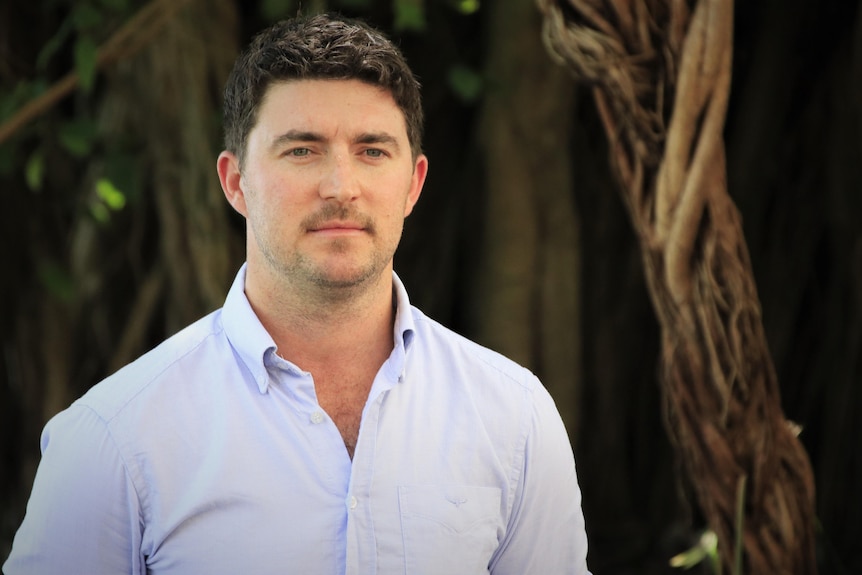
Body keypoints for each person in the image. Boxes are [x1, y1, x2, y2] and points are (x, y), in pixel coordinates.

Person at [3, 12, 591, 575]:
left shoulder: (514, 416)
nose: (341, 187)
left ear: (413, 185)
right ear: (236, 183)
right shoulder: (114, 438)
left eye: (373, 150)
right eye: (302, 150)